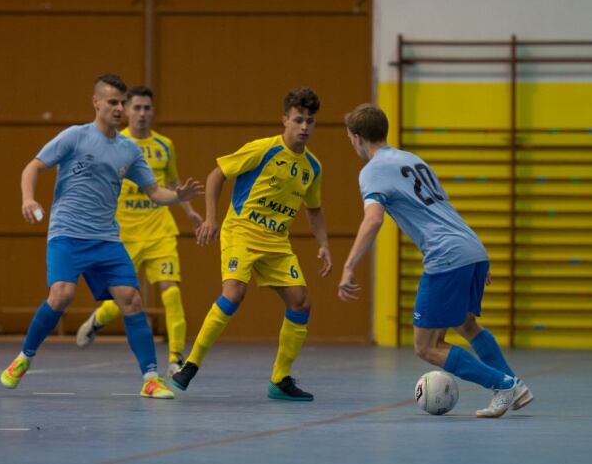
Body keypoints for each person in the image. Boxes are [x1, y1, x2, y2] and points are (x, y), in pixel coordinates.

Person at [0, 74, 203, 399]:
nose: (119, 108)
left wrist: (179, 197)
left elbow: (154, 192)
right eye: (113, 102)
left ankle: (150, 379)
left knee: (131, 299)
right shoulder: (75, 137)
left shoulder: (129, 150)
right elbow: (33, 167)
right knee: (62, 295)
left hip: (106, 239)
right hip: (67, 233)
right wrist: (28, 198)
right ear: (96, 103)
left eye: (122, 102)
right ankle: (24, 358)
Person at [337, 104, 533, 418]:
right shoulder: (412, 160)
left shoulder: (371, 170)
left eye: (350, 138)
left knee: (426, 346)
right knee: (465, 324)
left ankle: (505, 385)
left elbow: (373, 220)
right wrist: (475, 258)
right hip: (470, 246)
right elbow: (443, 208)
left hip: (446, 255)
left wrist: (348, 266)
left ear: (358, 138)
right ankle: (515, 386)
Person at [171, 86, 332, 401]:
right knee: (234, 293)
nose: (304, 127)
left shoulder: (312, 167)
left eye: (310, 121)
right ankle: (189, 366)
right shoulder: (263, 149)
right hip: (241, 231)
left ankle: (280, 379)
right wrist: (211, 219)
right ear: (284, 120)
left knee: (301, 302)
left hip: (276, 242)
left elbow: (314, 210)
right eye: (298, 119)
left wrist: (323, 244)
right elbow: (217, 175)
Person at [75, 86, 203, 377]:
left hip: (160, 231)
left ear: (152, 111)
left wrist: (190, 211)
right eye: (137, 108)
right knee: (123, 299)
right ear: (125, 110)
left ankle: (175, 358)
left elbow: (172, 182)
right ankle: (98, 319)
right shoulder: (114, 144)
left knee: (171, 292)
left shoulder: (165, 145)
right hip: (124, 235)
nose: (142, 114)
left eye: (147, 108)